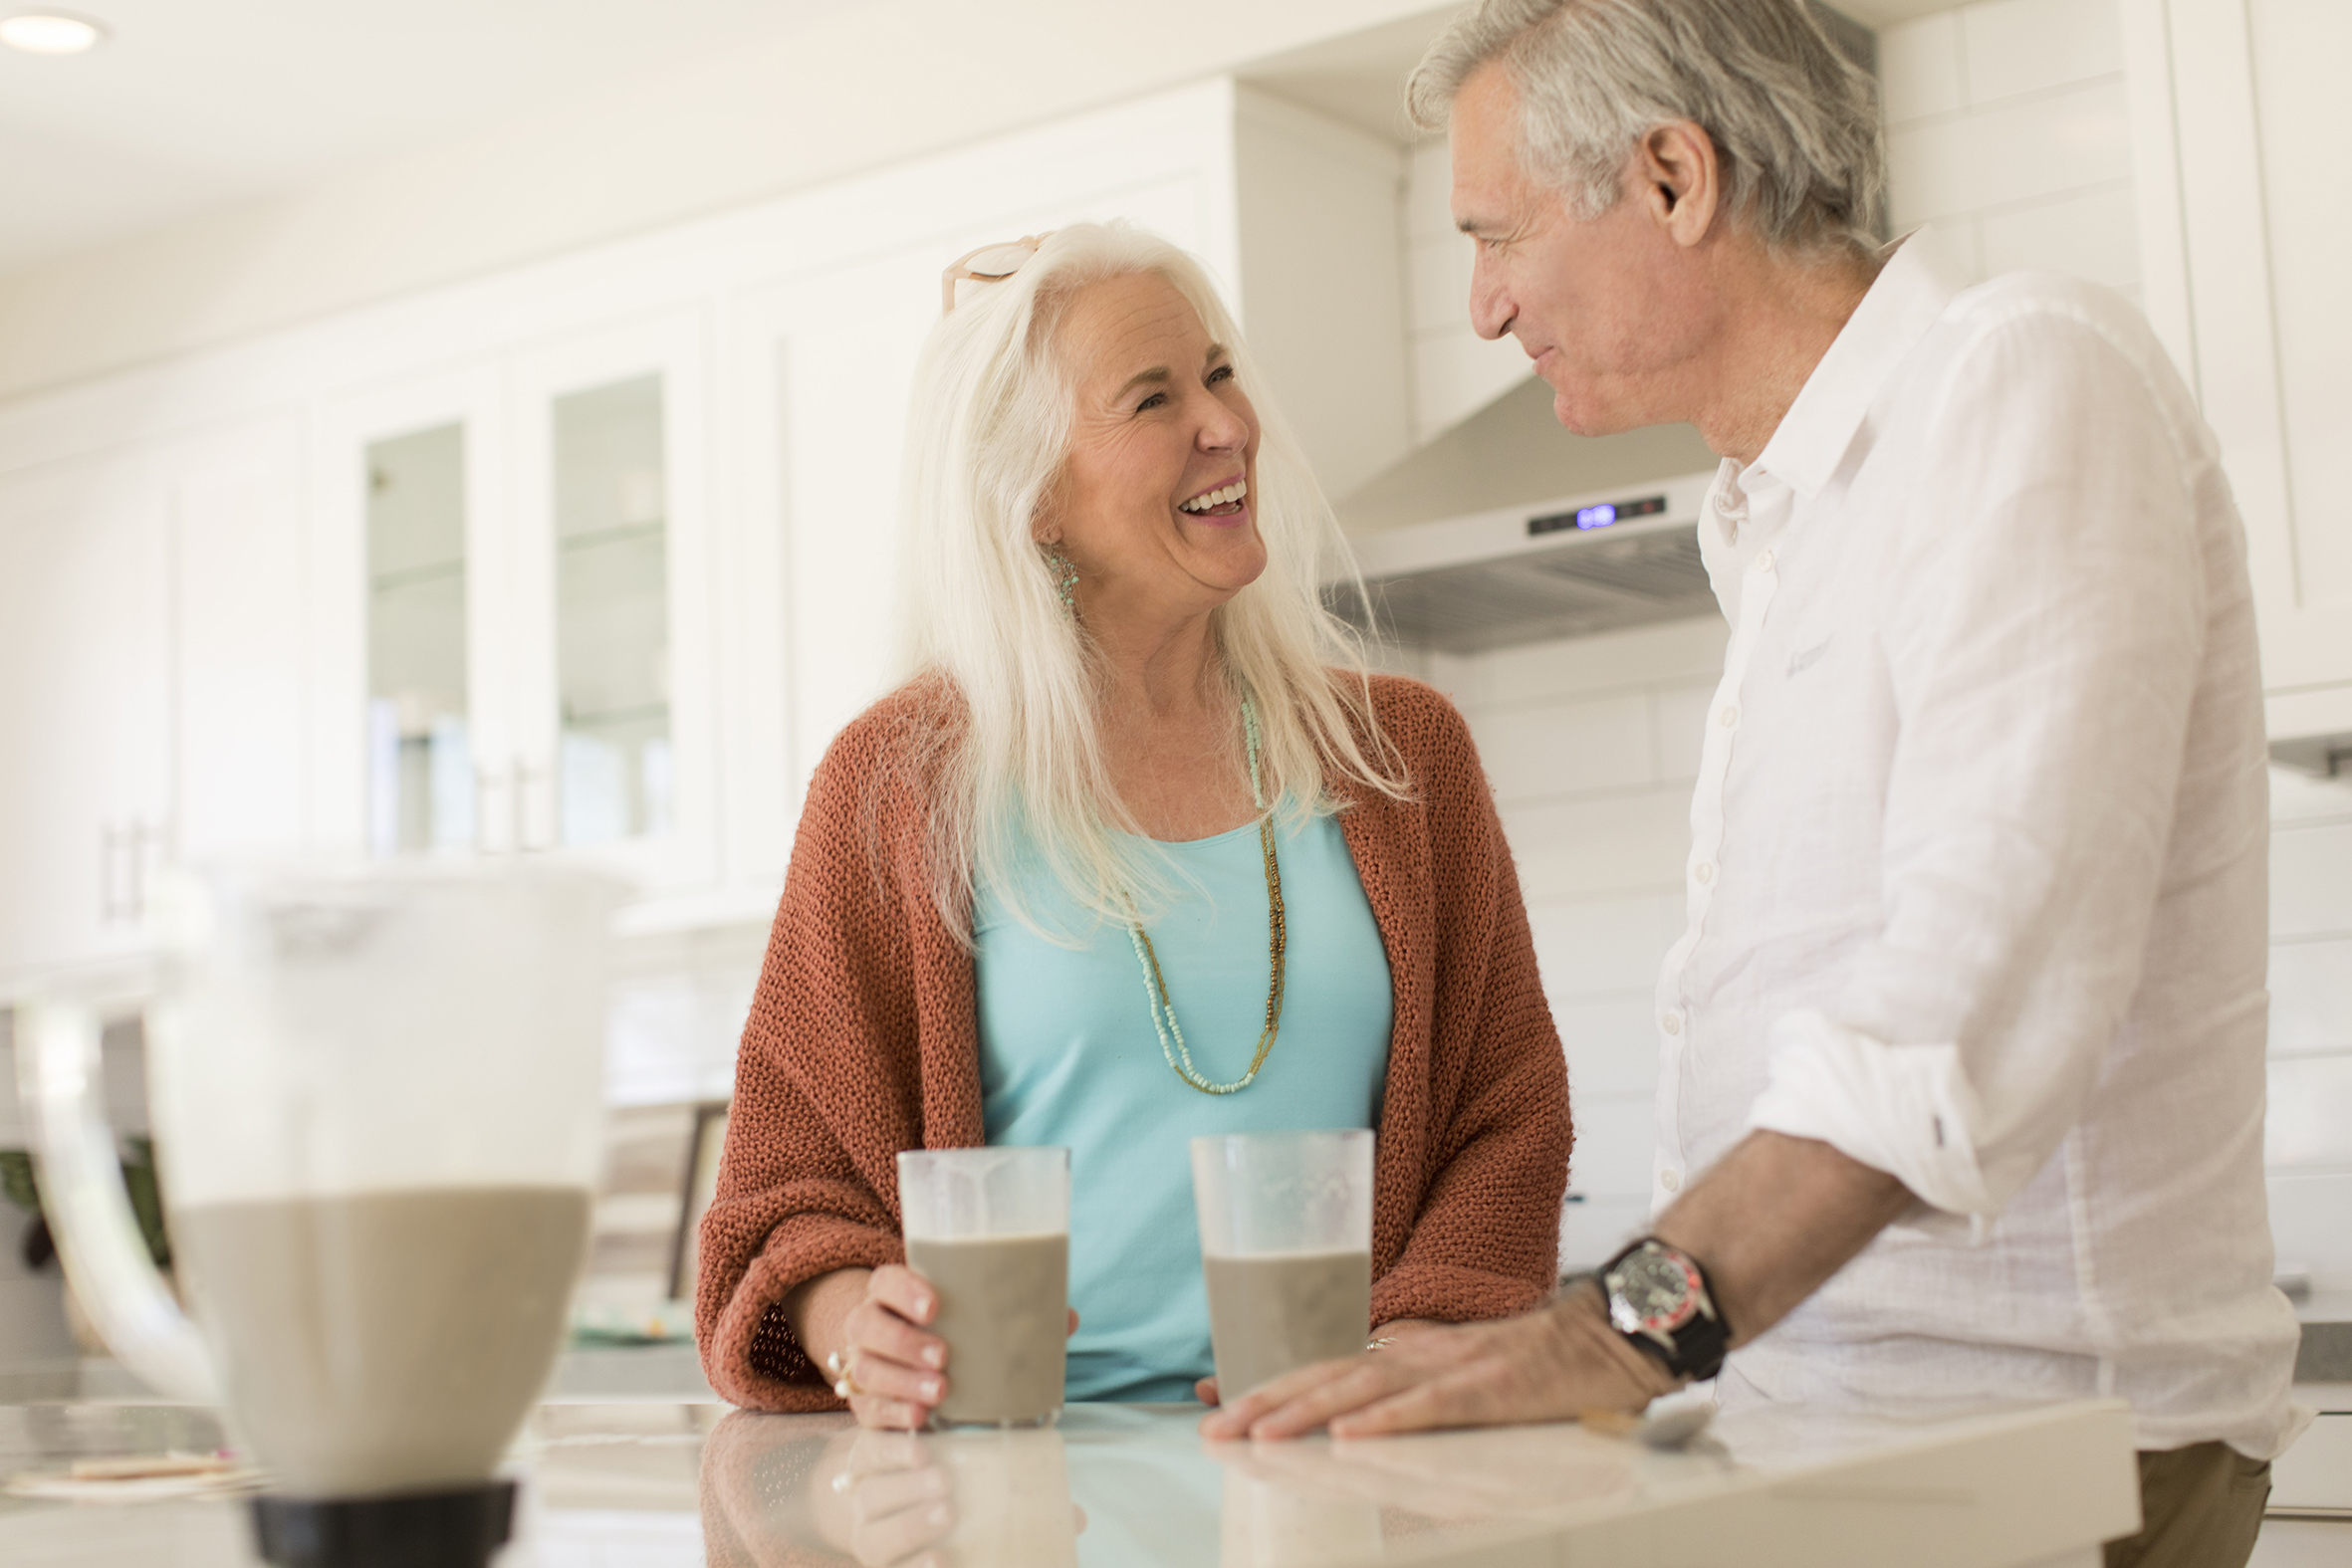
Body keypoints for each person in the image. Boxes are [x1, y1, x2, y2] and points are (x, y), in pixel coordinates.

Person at [1203, 5, 2307, 1565]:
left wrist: (1622, 1326)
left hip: (2043, 1464)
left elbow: (1953, 1009)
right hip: (1820, 1441)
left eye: (1499, 233)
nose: (1483, 304)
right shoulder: (1777, 523)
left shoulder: (2018, 377)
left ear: (1670, 176)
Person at [695, 222, 1572, 1428]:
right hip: (1011, 1487)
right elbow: (783, 1189)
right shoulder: (900, 783)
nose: (1227, 423)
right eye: (1153, 397)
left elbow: (1506, 1112)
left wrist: (1412, 1344)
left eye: (1217, 372)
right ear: (1036, 499)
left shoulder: (1400, 756)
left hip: (1341, 1466)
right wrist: (854, 1325)